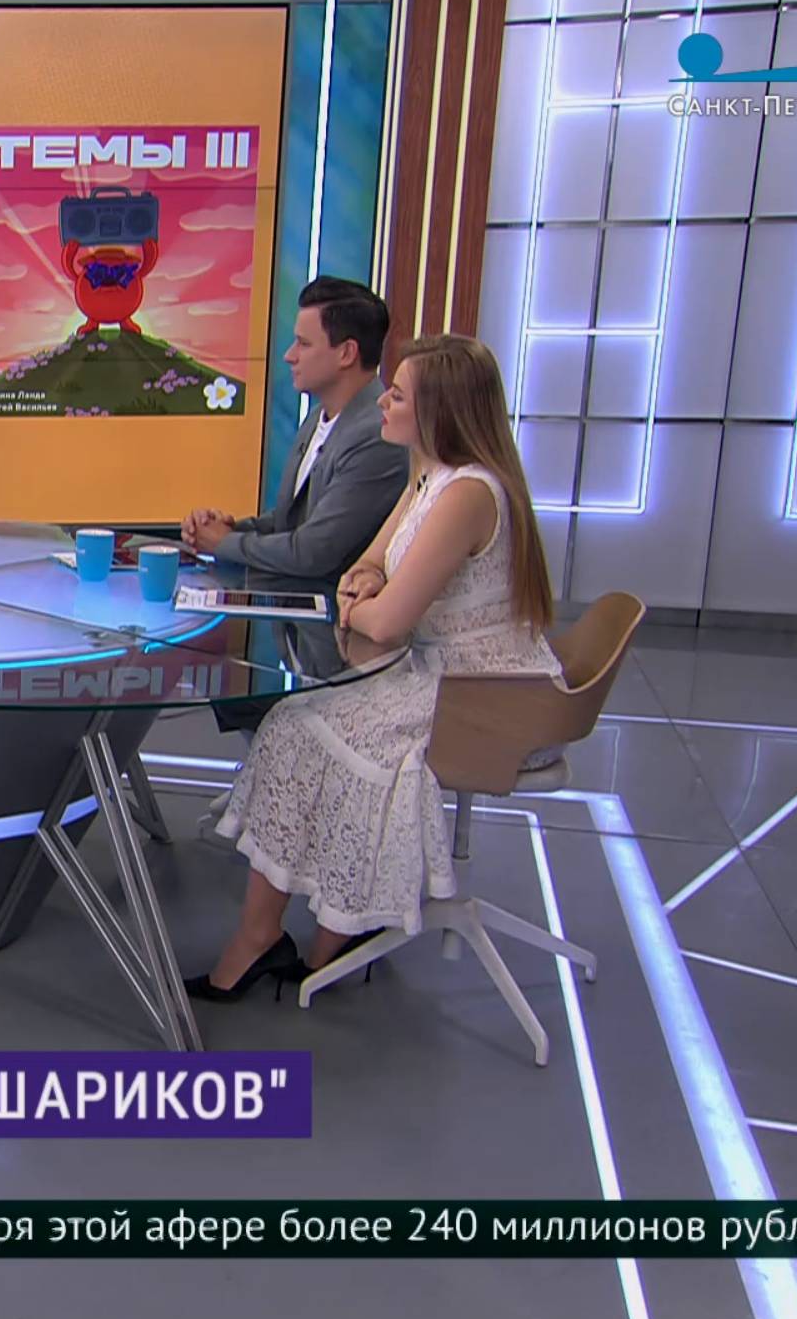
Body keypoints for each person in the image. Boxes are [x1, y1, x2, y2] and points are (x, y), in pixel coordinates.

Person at [187, 333, 561, 1003]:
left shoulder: (468, 494)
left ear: (440, 411)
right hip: (437, 674)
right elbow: (369, 565)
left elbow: (386, 623)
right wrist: (364, 588)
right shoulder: (427, 477)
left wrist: (359, 604)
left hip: (483, 698)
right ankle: (297, 935)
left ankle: (300, 935)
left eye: (399, 396)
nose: (383, 403)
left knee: (302, 730)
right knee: (299, 724)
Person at [184, 277, 404, 677]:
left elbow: (315, 551)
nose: (289, 356)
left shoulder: (376, 434)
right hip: (298, 634)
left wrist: (226, 543)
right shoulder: (319, 416)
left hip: (343, 653)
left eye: (303, 344)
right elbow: (291, 521)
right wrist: (229, 528)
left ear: (346, 353)